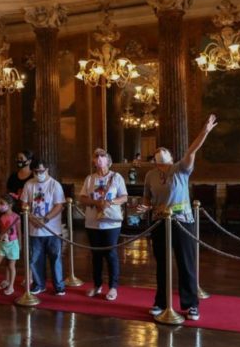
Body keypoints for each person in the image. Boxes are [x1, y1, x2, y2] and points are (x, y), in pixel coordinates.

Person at [138, 114, 218, 322]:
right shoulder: (151, 176)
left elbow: (191, 151)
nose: (161, 161)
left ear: (171, 159)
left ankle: (191, 305)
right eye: (158, 160)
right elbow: (148, 197)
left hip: (182, 223)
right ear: (155, 164)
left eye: (164, 158)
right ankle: (161, 302)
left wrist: (205, 131)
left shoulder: (181, 169)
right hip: (159, 223)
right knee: (162, 264)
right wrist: (143, 207)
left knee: (186, 264)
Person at [79, 148, 128, 301]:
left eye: (102, 156)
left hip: (111, 223)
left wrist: (110, 202)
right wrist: (96, 202)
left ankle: (113, 287)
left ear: (109, 160)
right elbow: (82, 198)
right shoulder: (90, 179)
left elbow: (124, 197)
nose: (99, 158)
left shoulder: (116, 177)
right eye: (96, 156)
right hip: (92, 222)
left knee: (111, 254)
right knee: (96, 255)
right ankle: (97, 284)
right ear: (93, 161)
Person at [20, 158, 66, 296]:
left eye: (41, 171)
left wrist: (45, 219)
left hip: (52, 230)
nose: (39, 173)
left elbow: (59, 205)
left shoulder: (55, 185)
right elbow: (24, 204)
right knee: (35, 259)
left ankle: (59, 286)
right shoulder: (29, 184)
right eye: (36, 171)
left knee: (55, 258)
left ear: (47, 170)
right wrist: (32, 219)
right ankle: (39, 284)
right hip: (34, 229)